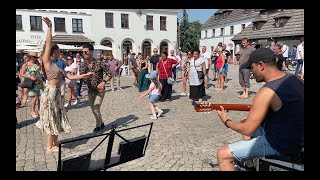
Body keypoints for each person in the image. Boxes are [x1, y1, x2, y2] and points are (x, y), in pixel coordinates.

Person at [215, 48, 304, 171]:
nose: (251, 72)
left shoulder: (267, 91)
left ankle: (245, 162)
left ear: (261, 65)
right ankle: (250, 165)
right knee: (244, 120)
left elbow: (248, 129)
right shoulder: (293, 79)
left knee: (223, 154)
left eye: (251, 67)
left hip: (280, 144)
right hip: (297, 138)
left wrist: (226, 121)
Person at [39, 17, 94, 153]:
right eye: (59, 51)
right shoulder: (47, 61)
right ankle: (49, 146)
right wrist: (50, 27)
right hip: (50, 92)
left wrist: (84, 76)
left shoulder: (58, 66)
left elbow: (70, 76)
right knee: (51, 117)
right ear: (54, 51)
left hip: (57, 92)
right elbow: (48, 42)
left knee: (57, 117)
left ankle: (55, 143)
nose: (61, 52)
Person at [79, 43, 113, 133]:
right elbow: (82, 77)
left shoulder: (100, 63)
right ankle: (101, 123)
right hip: (90, 90)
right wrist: (85, 76)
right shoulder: (82, 65)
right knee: (93, 109)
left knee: (96, 107)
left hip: (100, 90)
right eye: (82, 52)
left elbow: (110, 74)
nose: (84, 54)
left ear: (91, 52)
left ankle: (98, 126)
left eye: (85, 52)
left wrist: (103, 82)